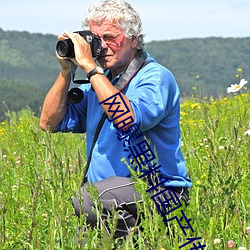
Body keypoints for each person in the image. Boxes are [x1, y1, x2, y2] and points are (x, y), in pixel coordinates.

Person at [40, 0, 192, 245]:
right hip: (111, 199)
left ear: (133, 38)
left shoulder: (154, 77)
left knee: (87, 200)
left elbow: (127, 120)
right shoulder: (99, 83)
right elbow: (49, 123)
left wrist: (90, 67)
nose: (102, 47)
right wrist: (66, 70)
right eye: (96, 39)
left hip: (158, 191)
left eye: (110, 37)